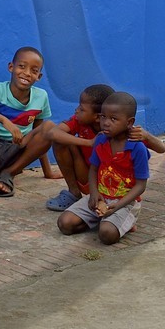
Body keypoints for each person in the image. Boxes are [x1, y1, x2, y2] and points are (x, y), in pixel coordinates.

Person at [38, 84, 165, 211]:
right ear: (101, 117)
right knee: (62, 139)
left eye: (81, 109)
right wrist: (89, 142)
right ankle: (74, 193)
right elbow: (53, 133)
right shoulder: (81, 121)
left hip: (112, 184)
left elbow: (161, 149)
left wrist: (147, 136)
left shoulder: (126, 131)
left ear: (96, 116)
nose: (76, 111)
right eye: (105, 116)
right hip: (90, 177)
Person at [57, 91, 151, 245]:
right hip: (101, 196)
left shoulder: (137, 148)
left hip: (125, 201)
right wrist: (94, 194)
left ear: (129, 122)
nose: (106, 122)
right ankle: (108, 221)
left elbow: (141, 185)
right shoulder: (101, 140)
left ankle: (124, 221)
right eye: (103, 117)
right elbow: (94, 169)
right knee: (64, 224)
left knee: (107, 235)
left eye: (113, 119)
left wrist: (117, 206)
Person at [0, 46, 54, 198]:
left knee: (50, 127)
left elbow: (39, 133)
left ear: (39, 76)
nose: (26, 73)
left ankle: (8, 174)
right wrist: (4, 121)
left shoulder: (41, 96)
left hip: (16, 153)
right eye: (21, 66)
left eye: (34, 70)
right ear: (11, 67)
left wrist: (48, 172)